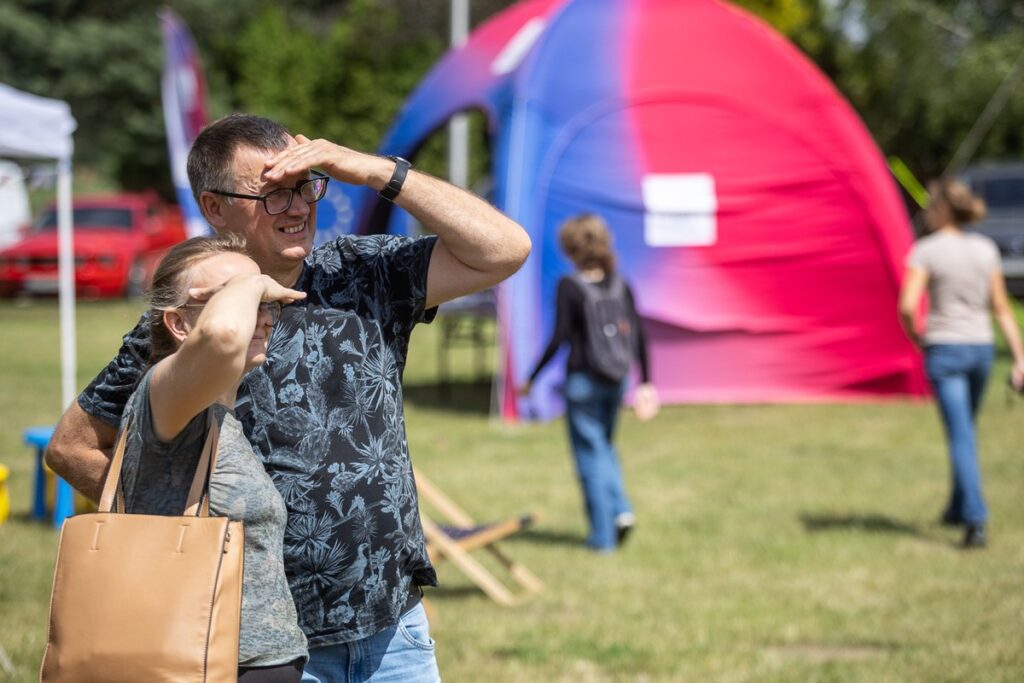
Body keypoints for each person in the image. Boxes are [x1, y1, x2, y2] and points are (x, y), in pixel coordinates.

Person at [45, 114, 531, 682]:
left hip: (392, 629)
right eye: (272, 193)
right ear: (214, 207)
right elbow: (72, 446)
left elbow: (505, 249)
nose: (298, 206)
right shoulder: (190, 322)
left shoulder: (362, 272)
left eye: (305, 185)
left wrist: (374, 170)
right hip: (263, 648)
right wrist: (178, 524)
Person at [116, 234, 308, 681]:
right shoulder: (164, 398)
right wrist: (253, 282)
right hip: (204, 665)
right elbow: (223, 335)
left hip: (250, 663)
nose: (260, 317)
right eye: (241, 300)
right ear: (179, 325)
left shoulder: (222, 415)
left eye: (265, 303)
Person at [898, 178, 1024, 549]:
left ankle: (974, 518)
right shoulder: (985, 249)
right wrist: (1019, 357)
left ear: (941, 210)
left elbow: (907, 305)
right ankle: (957, 506)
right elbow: (1001, 307)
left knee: (960, 434)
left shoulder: (926, 251)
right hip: (981, 348)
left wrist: (917, 336)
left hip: (944, 348)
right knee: (965, 429)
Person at [520, 213, 657, 553]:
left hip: (582, 382)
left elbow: (559, 337)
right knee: (606, 448)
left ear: (570, 248)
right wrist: (647, 382)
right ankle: (621, 509)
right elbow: (639, 334)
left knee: (588, 457)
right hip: (617, 379)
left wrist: (532, 378)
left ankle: (602, 538)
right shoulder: (620, 283)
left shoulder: (570, 286)